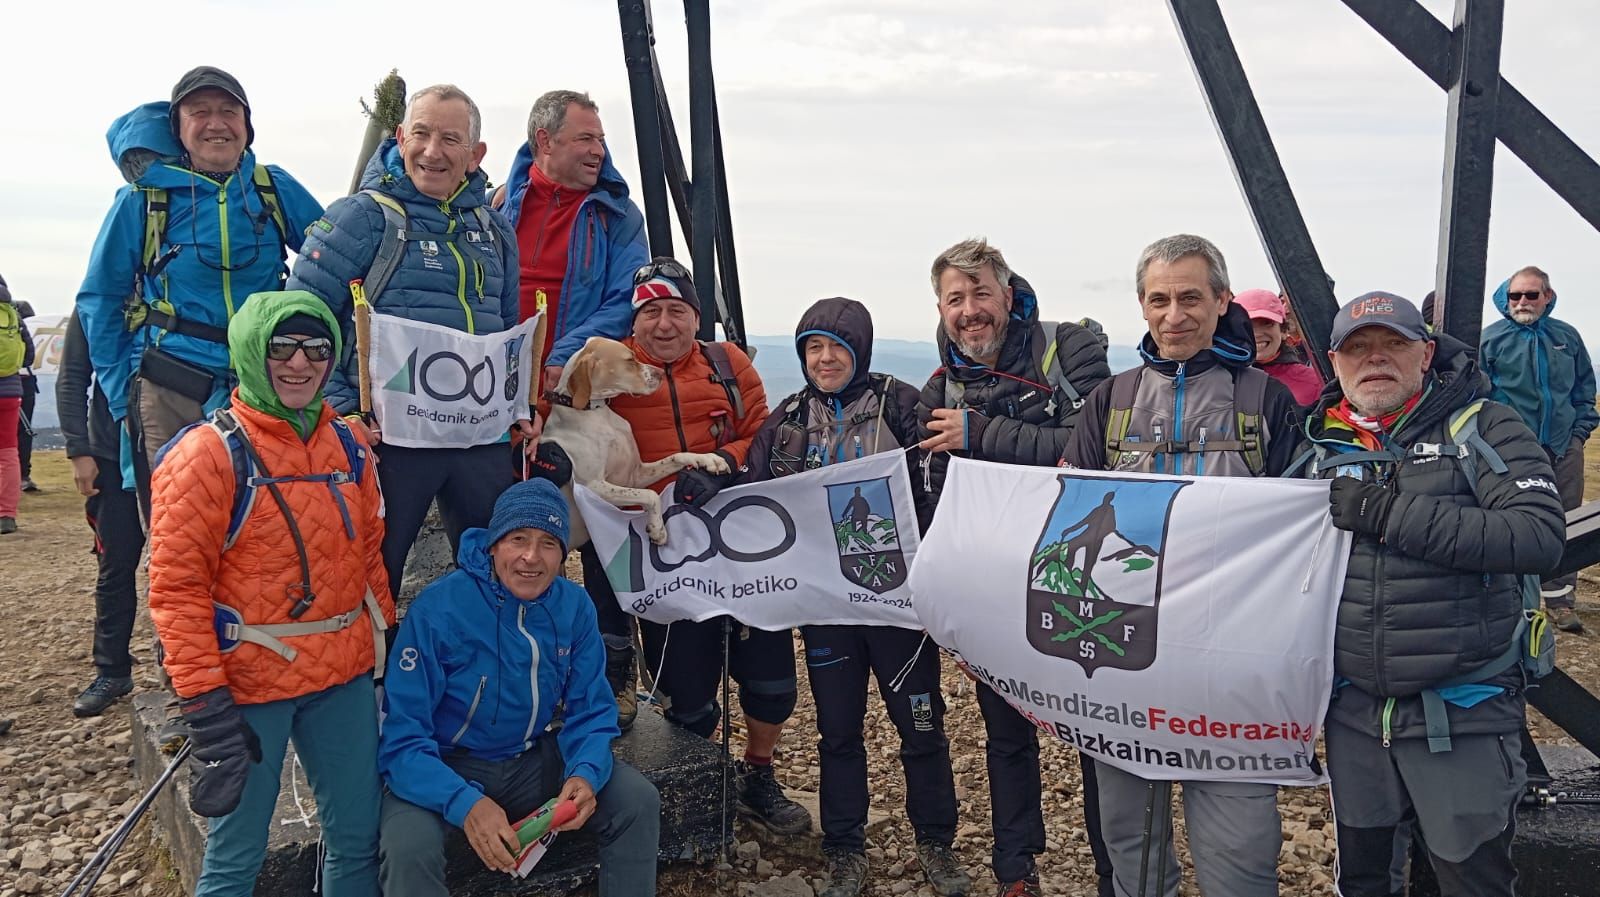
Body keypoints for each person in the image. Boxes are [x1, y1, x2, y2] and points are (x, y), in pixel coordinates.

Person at [1299, 292, 1565, 897]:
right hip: (1354, 715)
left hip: (1463, 710)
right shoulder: (1317, 447)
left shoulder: (1485, 425)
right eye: (1357, 348)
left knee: (1472, 879)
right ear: (1335, 364)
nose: (1376, 359)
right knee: (1365, 880)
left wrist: (1387, 513)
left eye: (1393, 343)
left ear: (1425, 353)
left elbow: (1537, 535)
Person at [1060, 234, 1302, 897]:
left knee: (1241, 854)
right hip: (1124, 656)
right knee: (1133, 848)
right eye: (1159, 299)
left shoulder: (1265, 402)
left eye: (1192, 296)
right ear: (1141, 305)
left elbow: (1303, 537)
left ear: (1222, 300)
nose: (1175, 314)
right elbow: (1066, 524)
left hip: (1234, 662)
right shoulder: (1108, 404)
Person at [148, 291, 393, 897]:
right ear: (252, 352)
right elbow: (176, 593)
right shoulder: (206, 456)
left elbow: (367, 556)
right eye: (282, 346)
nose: (300, 363)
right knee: (236, 856)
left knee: (356, 840)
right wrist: (205, 709)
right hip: (249, 686)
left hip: (342, 675)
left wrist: (386, 640)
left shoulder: (349, 446)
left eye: (317, 348)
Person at [566, 257, 811, 833]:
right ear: (634, 321)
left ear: (696, 317)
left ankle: (757, 773)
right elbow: (568, 417)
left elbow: (766, 430)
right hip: (658, 550)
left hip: (741, 540)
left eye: (677, 309)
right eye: (650, 311)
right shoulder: (610, 370)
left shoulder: (729, 364)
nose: (664, 323)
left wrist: (725, 462)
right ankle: (704, 782)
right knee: (686, 685)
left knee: (770, 678)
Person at [745, 297, 969, 897]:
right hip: (827, 610)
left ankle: (936, 842)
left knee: (921, 727)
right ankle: (845, 846)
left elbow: (945, 482)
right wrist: (706, 487)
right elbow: (751, 497)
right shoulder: (788, 420)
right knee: (838, 731)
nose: (824, 359)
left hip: (898, 605)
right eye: (812, 349)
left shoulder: (900, 404)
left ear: (860, 350)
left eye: (836, 348)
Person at [915, 238, 1112, 897]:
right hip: (995, 583)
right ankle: (1014, 870)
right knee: (1005, 731)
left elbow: (1097, 448)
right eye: (954, 299)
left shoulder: (1070, 348)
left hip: (1078, 575)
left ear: (1008, 294)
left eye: (980, 295)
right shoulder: (941, 382)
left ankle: (1114, 870)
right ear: (940, 309)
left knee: (1092, 729)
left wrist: (980, 436)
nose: (969, 311)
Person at [287, 83, 525, 599]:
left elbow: (507, 333)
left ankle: (481, 672)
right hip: (388, 438)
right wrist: (343, 411)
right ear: (399, 136)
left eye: (450, 138)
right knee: (373, 570)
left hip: (475, 437)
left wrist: (516, 405)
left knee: (494, 565)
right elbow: (300, 321)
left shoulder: (495, 230)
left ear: (475, 154)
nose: (432, 151)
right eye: (421, 133)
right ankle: (371, 677)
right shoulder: (360, 216)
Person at [377, 477, 660, 897]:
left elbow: (592, 709)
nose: (531, 557)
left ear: (563, 554)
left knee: (637, 800)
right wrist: (465, 803)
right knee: (407, 847)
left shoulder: (574, 606)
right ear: (493, 545)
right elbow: (402, 739)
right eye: (518, 539)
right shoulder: (438, 610)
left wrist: (585, 772)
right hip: (445, 764)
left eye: (549, 543)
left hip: (529, 758)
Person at [75, 66, 323, 520]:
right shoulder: (142, 201)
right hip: (171, 386)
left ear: (247, 126)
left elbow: (331, 262)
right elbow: (101, 300)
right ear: (178, 127)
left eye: (229, 111)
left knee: (266, 524)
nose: (216, 123)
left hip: (263, 383)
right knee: (180, 530)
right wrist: (119, 395)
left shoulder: (273, 188)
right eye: (200, 112)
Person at [496, 90, 648, 397]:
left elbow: (624, 301)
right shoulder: (495, 207)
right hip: (490, 389)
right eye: (586, 139)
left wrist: (570, 353)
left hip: (568, 395)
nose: (599, 151)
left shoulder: (619, 216)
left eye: (600, 140)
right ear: (545, 141)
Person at [1480, 267, 1597, 633]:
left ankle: (1560, 601)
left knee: (1566, 521)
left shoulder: (1567, 337)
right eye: (1515, 296)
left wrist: (1579, 433)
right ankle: (1511, 601)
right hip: (1512, 450)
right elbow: (1478, 395)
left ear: (1547, 296)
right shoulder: (1490, 340)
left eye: (1531, 295)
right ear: (1506, 298)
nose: (1523, 302)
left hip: (1564, 447)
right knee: (1511, 521)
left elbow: (1583, 389)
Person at [57, 310, 148, 716]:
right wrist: (79, 449)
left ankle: (196, 671)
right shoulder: (97, 303)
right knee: (115, 566)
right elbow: (73, 376)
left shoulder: (179, 289)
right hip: (111, 454)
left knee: (198, 565)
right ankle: (112, 669)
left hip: (183, 448)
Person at [1235, 288, 1322, 406]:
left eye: (1266, 323)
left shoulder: (1314, 382)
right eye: (1246, 325)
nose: (1256, 334)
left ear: (1283, 331)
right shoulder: (1216, 380)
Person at [0, 274, 33, 534]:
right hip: (10, 391)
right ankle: (7, 515)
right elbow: (28, 356)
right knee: (8, 452)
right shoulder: (13, 314)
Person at [14, 300, 38, 493]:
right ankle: (23, 476)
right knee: (24, 430)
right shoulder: (20, 313)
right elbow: (30, 357)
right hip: (23, 381)